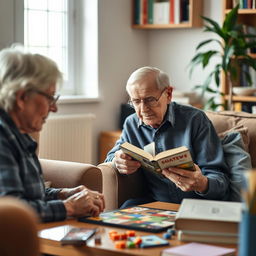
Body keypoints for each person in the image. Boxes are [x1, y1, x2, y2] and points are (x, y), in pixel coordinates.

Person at [0, 46, 105, 222]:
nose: (54, 108)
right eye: (50, 98)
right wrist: (70, 207)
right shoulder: (3, 139)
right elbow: (14, 210)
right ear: (21, 98)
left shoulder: (20, 135)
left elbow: (31, 196)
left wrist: (65, 194)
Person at [105, 66, 230, 207]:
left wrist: (201, 184)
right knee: (125, 210)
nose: (143, 109)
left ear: (169, 94)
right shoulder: (132, 123)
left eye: (150, 100)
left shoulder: (196, 120)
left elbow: (220, 179)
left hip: (197, 205)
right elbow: (111, 157)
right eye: (136, 102)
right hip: (157, 204)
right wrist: (118, 160)